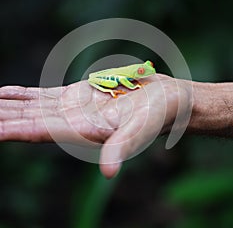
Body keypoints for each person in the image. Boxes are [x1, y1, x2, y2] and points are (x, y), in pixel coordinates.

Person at [0, 74, 232, 178]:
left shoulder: (144, 77)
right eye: (143, 71)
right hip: (108, 82)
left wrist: (191, 99)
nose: (146, 74)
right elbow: (119, 81)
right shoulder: (131, 77)